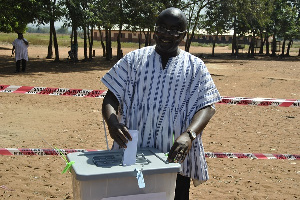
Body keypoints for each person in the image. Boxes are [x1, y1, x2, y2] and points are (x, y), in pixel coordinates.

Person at [101, 7, 221, 200]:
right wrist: (113, 123)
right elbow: (111, 97)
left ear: (183, 35)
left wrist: (189, 135)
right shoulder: (133, 60)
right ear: (155, 30)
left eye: (174, 30)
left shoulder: (195, 66)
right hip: (133, 153)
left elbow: (207, 106)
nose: (167, 34)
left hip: (174, 159)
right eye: (162, 28)